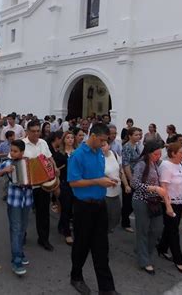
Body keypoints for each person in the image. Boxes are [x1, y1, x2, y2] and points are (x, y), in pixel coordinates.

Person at [68, 123, 118, 295]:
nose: (104, 144)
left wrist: (107, 179)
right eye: (102, 140)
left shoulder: (99, 154)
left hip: (99, 205)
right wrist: (98, 181)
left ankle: (107, 288)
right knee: (81, 245)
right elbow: (74, 182)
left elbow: (97, 176)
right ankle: (76, 277)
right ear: (94, 136)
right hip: (83, 207)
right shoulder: (78, 155)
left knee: (101, 248)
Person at [0, 139, 32, 275]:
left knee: (22, 228)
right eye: (11, 151)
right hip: (14, 201)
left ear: (22, 152)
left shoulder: (29, 163)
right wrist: (4, 171)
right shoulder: (7, 163)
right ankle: (16, 260)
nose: (12, 153)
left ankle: (19, 252)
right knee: (15, 229)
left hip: (27, 201)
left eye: (15, 151)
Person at [131, 141, 171, 275]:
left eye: (160, 154)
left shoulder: (155, 163)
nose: (158, 156)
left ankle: (144, 251)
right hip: (141, 201)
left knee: (157, 229)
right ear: (148, 153)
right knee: (143, 230)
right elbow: (135, 183)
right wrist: (153, 188)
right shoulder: (141, 164)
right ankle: (144, 260)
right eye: (156, 154)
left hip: (155, 201)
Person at [157, 142, 182, 275]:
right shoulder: (166, 166)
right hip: (170, 202)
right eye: (181, 152)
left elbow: (179, 178)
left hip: (179, 202)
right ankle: (179, 260)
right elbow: (164, 188)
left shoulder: (180, 164)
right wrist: (167, 206)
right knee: (173, 231)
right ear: (172, 153)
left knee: (170, 227)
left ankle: (162, 247)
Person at [23, 120, 58, 252]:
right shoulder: (22, 144)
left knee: (43, 213)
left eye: (38, 131)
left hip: (43, 184)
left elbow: (49, 158)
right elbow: (14, 160)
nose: (36, 133)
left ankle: (44, 239)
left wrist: (54, 168)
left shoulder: (43, 143)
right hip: (27, 185)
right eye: (33, 131)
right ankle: (22, 235)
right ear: (27, 132)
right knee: (24, 212)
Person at [102, 141, 127, 233]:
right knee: (106, 216)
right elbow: (95, 173)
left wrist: (126, 185)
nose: (102, 148)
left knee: (116, 216)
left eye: (104, 145)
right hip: (104, 192)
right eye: (100, 146)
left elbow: (120, 170)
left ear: (108, 145)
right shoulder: (97, 158)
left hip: (116, 190)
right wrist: (108, 180)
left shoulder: (114, 154)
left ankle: (107, 229)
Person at [121, 127, 142, 233]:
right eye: (136, 135)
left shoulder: (137, 146)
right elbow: (126, 164)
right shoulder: (127, 147)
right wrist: (130, 180)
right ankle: (125, 222)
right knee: (128, 202)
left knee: (133, 201)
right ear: (130, 136)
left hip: (136, 176)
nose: (138, 136)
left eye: (139, 135)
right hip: (129, 177)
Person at [58, 131, 76, 245]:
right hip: (65, 183)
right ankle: (67, 233)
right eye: (68, 138)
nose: (70, 139)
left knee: (73, 208)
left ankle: (62, 225)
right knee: (66, 207)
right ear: (64, 140)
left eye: (72, 138)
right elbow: (57, 169)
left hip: (76, 183)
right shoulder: (60, 154)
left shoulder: (77, 153)